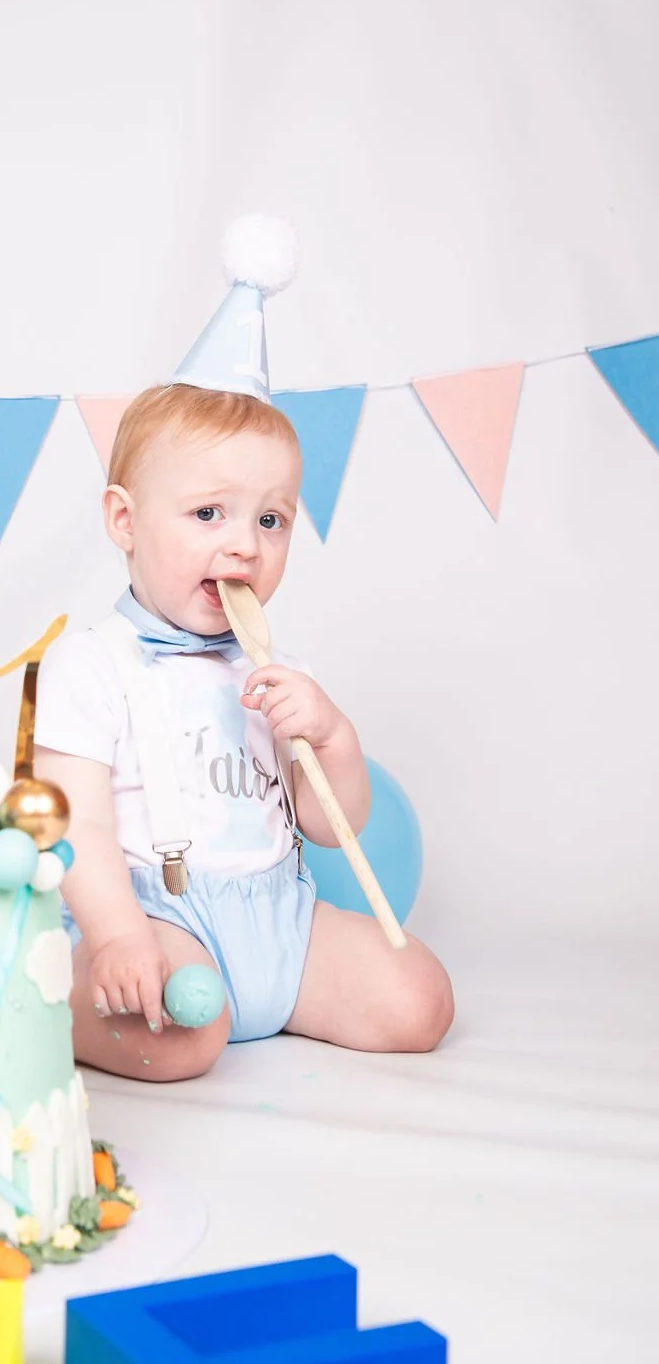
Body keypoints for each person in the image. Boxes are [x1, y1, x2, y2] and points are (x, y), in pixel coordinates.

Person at [34, 218, 454, 1082]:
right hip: (161, 914)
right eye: (207, 515)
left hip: (280, 918)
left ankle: (261, 997)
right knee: (187, 1031)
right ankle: (60, 991)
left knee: (421, 998)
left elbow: (325, 823)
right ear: (124, 521)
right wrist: (116, 934)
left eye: (271, 520)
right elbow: (78, 823)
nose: (245, 547)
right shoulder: (93, 665)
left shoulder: (273, 669)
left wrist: (330, 736)